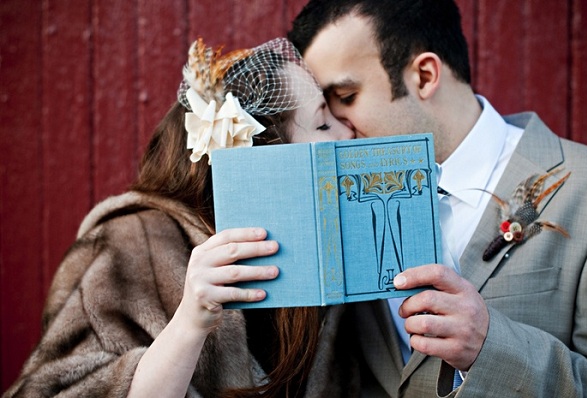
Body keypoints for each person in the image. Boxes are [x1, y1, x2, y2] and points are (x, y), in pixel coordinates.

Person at [3, 37, 356, 398]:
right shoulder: (128, 245)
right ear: (259, 154)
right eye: (324, 125)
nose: (349, 134)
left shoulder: (329, 254)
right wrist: (189, 324)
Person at [289, 0, 587, 396]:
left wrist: (491, 348)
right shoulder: (338, 199)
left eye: (347, 96)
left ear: (424, 75)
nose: (338, 128)